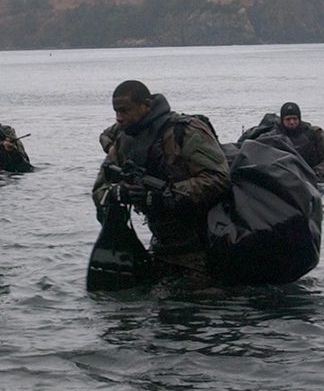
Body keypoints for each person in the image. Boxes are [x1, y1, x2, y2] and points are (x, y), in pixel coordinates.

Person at [91, 80, 231, 276]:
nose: (119, 118)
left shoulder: (185, 131)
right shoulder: (124, 142)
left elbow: (219, 178)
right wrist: (118, 193)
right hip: (162, 246)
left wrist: (162, 196)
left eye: (124, 111)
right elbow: (99, 189)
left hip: (204, 245)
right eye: (116, 111)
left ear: (146, 105)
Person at [268, 102, 324, 179]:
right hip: (285, 175)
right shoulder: (274, 136)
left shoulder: (315, 134)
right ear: (282, 120)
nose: (292, 122)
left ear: (299, 118)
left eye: (295, 119)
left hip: (314, 174)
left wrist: (317, 171)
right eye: (288, 119)